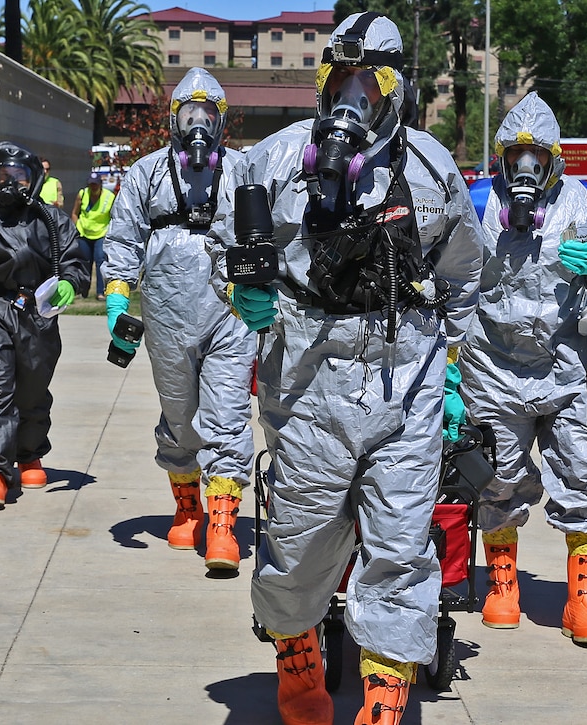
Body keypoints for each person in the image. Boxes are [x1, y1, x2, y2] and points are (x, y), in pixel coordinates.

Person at [207, 12, 483, 724]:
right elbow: (217, 243)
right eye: (340, 79)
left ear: (397, 89)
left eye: (371, 81)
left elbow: (464, 276)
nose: (353, 96)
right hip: (306, 373)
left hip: (405, 374)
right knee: (299, 542)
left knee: (400, 540)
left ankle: (386, 692)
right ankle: (298, 656)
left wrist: (451, 371)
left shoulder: (429, 168)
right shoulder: (272, 162)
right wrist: (243, 287)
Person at [457, 92, 587, 645]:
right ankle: (502, 582)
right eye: (514, 155)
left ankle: (583, 597)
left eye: (536, 156)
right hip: (492, 364)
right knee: (496, 478)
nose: (524, 168)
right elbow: (450, 275)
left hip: (569, 363)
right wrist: (450, 360)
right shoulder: (476, 201)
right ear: (501, 157)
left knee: (585, 477)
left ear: (556, 159)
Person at [102, 68, 255, 571]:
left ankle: (223, 524)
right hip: (166, 314)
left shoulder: (243, 171)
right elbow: (124, 237)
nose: (198, 125)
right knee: (179, 414)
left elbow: (267, 230)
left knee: (228, 414)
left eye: (207, 115)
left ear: (221, 121)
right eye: (189, 114)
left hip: (229, 311)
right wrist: (118, 296)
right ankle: (187, 504)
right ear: (174, 120)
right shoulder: (146, 174)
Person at [0, 140, 89, 509]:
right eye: (4, 175)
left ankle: (28, 454)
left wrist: (70, 283)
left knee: (33, 389)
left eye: (19, 176)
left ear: (34, 179)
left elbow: (75, 259)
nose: (11, 183)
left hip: (37, 314)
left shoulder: (51, 220)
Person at [71, 172, 116, 299]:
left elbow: (115, 217)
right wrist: (77, 228)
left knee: (100, 261)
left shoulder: (109, 197)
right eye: (91, 185)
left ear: (100, 185)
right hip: (84, 233)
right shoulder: (83, 194)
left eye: (95, 185)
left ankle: (100, 292)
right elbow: (74, 213)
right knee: (84, 262)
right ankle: (83, 291)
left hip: (101, 234)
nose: (93, 187)